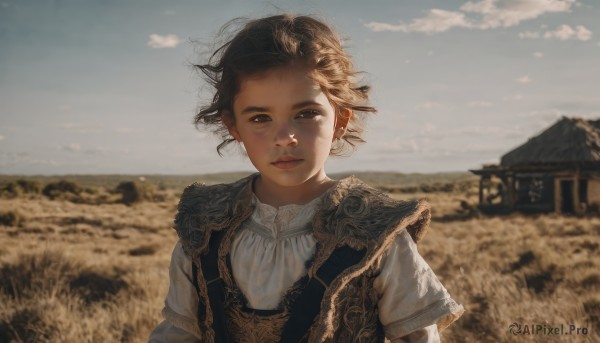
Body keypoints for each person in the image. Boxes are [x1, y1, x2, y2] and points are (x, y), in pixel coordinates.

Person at [149, 13, 464, 343]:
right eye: (260, 117)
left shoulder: (379, 231)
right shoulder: (203, 225)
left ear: (340, 119)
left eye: (306, 113)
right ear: (233, 127)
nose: (285, 137)